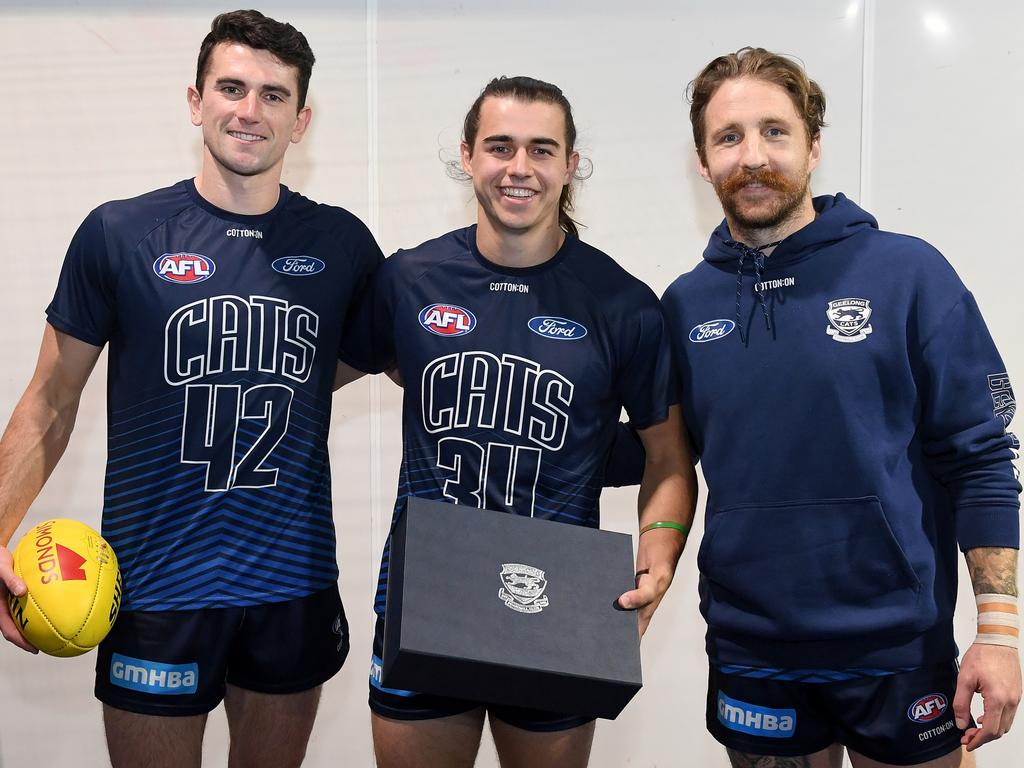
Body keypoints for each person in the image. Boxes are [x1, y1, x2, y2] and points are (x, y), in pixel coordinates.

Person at [0, 10, 382, 767]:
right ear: (195, 99)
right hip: (155, 582)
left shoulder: (341, 244)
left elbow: (417, 357)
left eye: (274, 95)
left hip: (291, 580)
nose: (250, 110)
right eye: (232, 87)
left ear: (301, 120)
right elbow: (51, 399)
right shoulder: (121, 232)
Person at [659, 47, 1021, 767]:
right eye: (728, 137)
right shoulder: (682, 306)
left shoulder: (906, 272)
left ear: (814, 146)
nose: (752, 155)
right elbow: (660, 460)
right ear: (703, 161)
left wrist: (1000, 634)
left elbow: (979, 458)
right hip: (750, 643)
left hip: (896, 645)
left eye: (774, 131)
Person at [339, 75, 697, 768]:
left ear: (569, 164)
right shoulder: (410, 279)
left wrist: (660, 555)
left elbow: (668, 456)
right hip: (425, 598)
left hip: (557, 607)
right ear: (468, 155)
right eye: (500, 146)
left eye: (541, 149)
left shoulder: (623, 304)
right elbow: (333, 372)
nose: (519, 167)